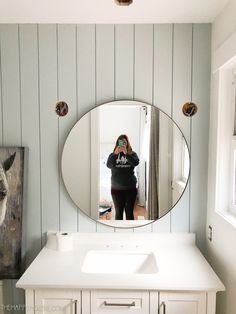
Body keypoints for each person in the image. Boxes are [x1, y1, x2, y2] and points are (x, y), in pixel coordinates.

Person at [106, 134, 139, 220]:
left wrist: (126, 154)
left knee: (129, 213)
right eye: (120, 142)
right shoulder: (112, 155)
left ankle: (130, 232)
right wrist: (115, 154)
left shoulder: (132, 154)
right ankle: (119, 233)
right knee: (118, 213)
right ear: (117, 143)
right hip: (116, 189)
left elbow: (135, 163)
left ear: (127, 143)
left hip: (130, 189)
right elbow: (109, 165)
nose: (123, 144)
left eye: (124, 142)